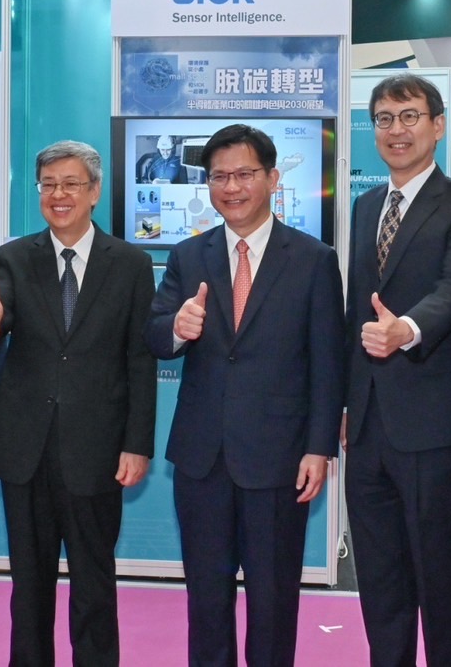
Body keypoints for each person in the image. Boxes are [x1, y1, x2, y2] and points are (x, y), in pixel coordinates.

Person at [145, 123, 345, 667]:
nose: (231, 187)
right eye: (219, 177)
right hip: (202, 458)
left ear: (272, 179)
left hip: (279, 459)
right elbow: (155, 334)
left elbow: (328, 362)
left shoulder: (312, 258)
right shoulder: (189, 255)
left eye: (244, 174)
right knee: (206, 599)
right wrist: (176, 328)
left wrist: (319, 447)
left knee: (273, 600)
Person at [0, 140, 157, 667]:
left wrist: (137, 444)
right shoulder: (12, 257)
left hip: (97, 450)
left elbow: (140, 360)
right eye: (49, 185)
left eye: (71, 184)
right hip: (25, 448)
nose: (59, 195)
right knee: (28, 584)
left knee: (94, 582)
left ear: (94, 191)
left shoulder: (131, 263)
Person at [342, 74, 451, 667]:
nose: (396, 130)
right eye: (384, 118)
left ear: (438, 125)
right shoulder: (365, 206)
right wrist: (345, 404)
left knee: (440, 580)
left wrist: (407, 329)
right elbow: (357, 311)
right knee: (379, 582)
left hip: (434, 423)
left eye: (409, 116)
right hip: (368, 425)